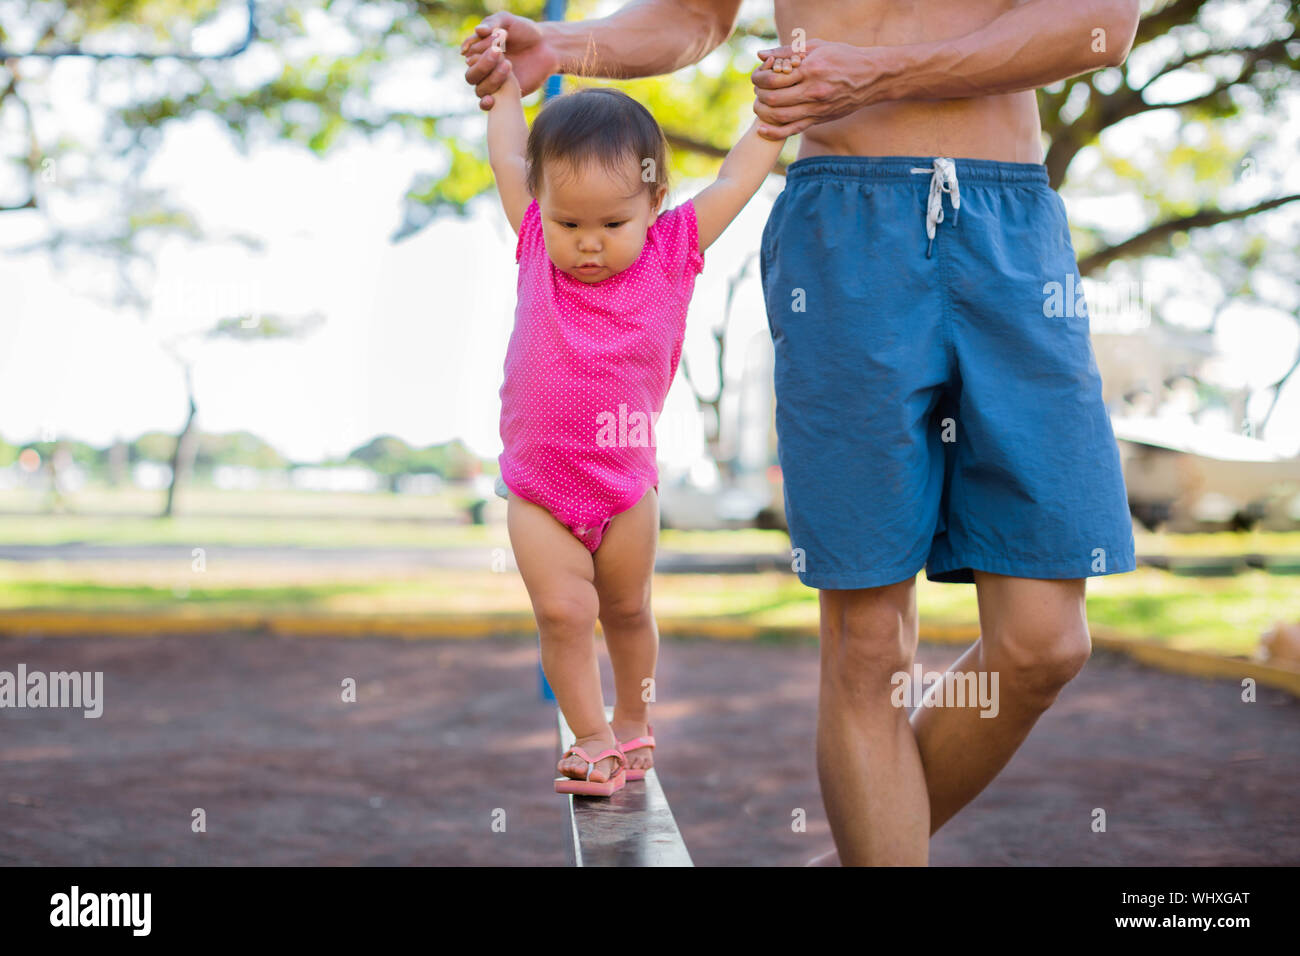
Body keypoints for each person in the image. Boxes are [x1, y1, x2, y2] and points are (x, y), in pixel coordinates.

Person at [464, 0, 1142, 863]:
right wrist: (562, 45)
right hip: (846, 227)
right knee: (868, 643)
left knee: (1044, 642)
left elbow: (1101, 25)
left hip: (1009, 221)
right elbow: (693, 15)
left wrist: (880, 72)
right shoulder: (559, 238)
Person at [480, 26, 793, 795]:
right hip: (537, 489)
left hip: (625, 490)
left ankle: (633, 719)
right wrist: (498, 92)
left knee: (626, 611)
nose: (588, 244)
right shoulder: (531, 240)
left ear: (654, 201)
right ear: (541, 210)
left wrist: (775, 121)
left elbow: (733, 183)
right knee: (561, 611)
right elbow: (506, 155)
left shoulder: (671, 249)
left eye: (611, 224)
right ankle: (592, 742)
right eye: (569, 224)